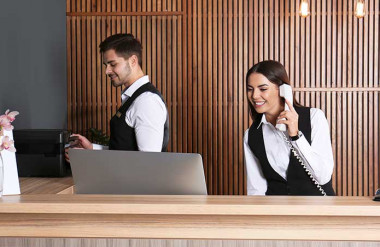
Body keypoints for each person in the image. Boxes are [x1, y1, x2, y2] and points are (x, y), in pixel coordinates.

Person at [66, 33, 169, 161]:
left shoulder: (146, 101)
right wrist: (92, 150)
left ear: (133, 61)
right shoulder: (135, 98)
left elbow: (149, 163)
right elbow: (125, 151)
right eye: (106, 65)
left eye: (113, 64)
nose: (107, 71)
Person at [243, 60, 335, 196]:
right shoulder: (251, 135)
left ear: (282, 90)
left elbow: (323, 176)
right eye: (250, 89)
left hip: (318, 211)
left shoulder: (314, 117)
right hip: (276, 214)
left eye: (263, 89)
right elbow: (256, 189)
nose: (255, 96)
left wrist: (296, 136)